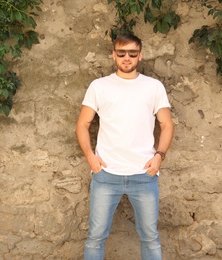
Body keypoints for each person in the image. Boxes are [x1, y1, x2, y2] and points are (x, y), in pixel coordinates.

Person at [75, 34, 174, 260]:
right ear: (114, 55)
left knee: (149, 236)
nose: (126, 58)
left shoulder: (153, 86)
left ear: (140, 55)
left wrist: (159, 156)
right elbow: (82, 124)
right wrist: (90, 157)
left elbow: (166, 124)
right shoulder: (99, 86)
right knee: (96, 236)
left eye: (132, 53)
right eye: (121, 53)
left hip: (144, 174)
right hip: (106, 174)